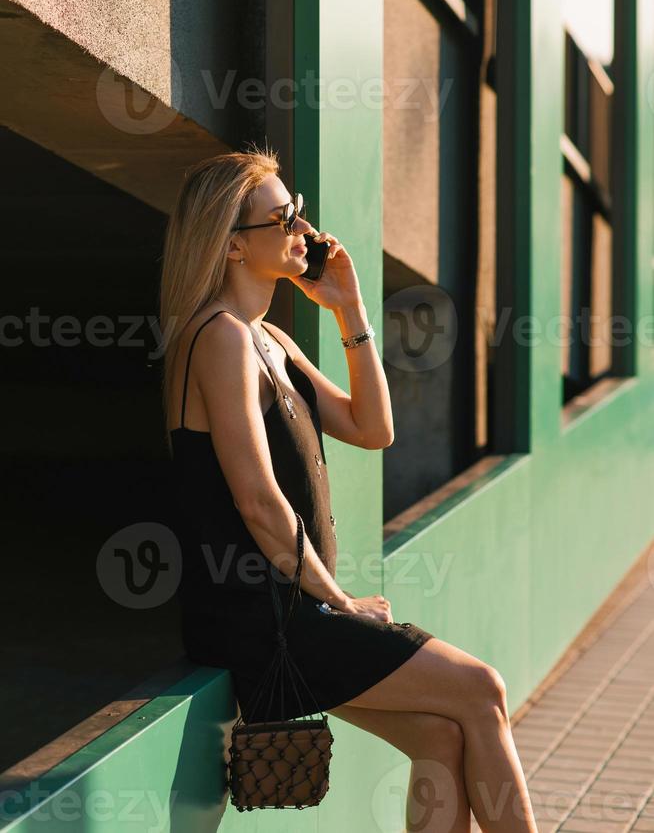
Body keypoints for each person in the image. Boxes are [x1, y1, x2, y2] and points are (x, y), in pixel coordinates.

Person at [159, 144, 539, 831]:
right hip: (262, 619)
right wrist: (339, 604)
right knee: (482, 690)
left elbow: (374, 428)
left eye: (299, 213)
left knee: (440, 735)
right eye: (282, 220)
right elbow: (258, 501)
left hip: (294, 611)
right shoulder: (217, 338)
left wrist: (349, 308)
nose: (304, 231)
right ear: (234, 247)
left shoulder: (267, 336)